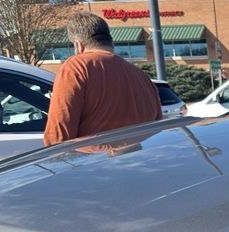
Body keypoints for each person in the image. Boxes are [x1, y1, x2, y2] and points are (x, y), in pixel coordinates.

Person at [43, 12, 161, 146]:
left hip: (97, 162)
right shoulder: (141, 75)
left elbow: (58, 135)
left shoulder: (76, 67)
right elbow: (157, 129)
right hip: (143, 159)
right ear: (110, 41)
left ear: (78, 45)